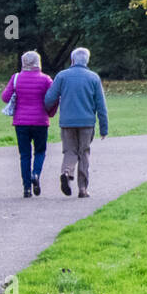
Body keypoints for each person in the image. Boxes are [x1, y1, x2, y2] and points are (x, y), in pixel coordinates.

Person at [44, 47, 109, 198]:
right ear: (87, 61)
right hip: (87, 123)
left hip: (67, 122)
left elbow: (49, 99)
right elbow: (101, 105)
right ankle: (83, 189)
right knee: (84, 152)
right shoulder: (93, 78)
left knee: (70, 150)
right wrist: (104, 128)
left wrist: (48, 110)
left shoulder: (62, 76)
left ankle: (66, 172)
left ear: (72, 60)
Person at [1, 51, 56, 198]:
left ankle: (26, 188)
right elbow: (53, 97)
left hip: (21, 122)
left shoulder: (16, 78)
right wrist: (50, 112)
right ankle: (36, 174)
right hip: (40, 121)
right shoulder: (46, 79)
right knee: (40, 151)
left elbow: (5, 98)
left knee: (24, 155)